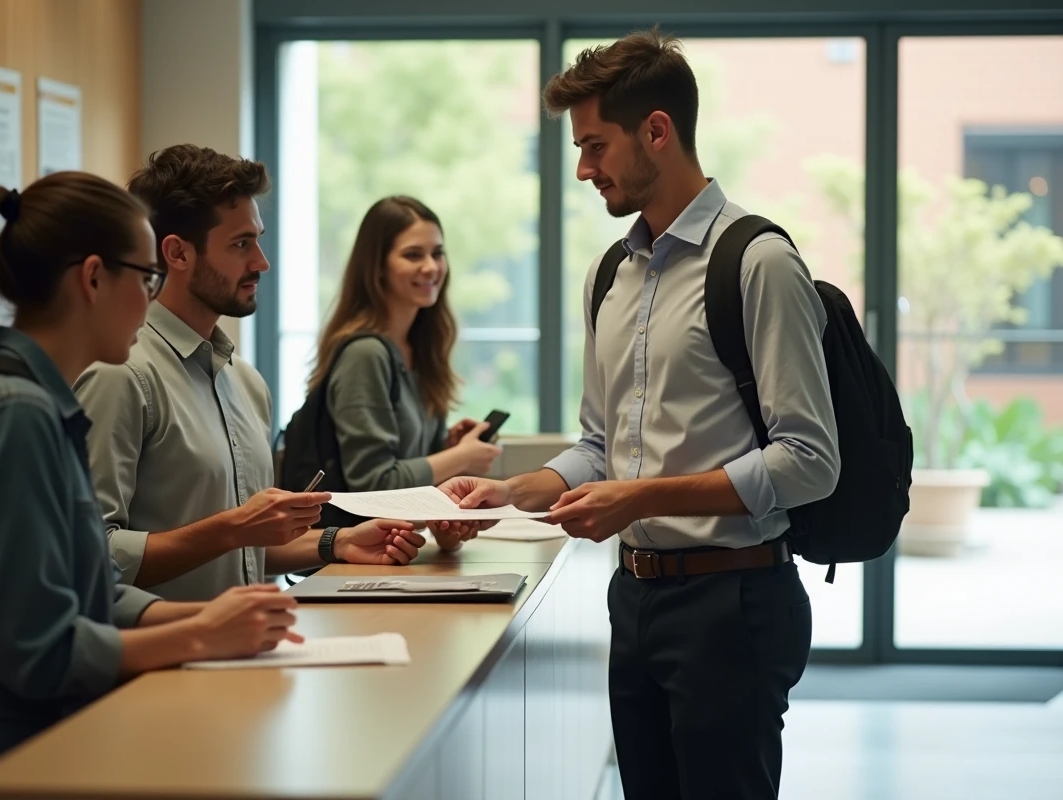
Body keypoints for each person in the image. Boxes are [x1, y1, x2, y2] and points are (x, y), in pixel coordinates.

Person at [438, 29, 839, 800]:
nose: (583, 169)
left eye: (595, 146)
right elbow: (600, 444)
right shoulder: (608, 277)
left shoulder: (758, 261)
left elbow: (810, 462)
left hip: (736, 601)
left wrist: (645, 496)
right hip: (636, 598)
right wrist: (512, 492)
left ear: (657, 130)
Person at [0, 173, 300, 800]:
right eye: (147, 278)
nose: (152, 298)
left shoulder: (38, 403)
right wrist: (203, 634)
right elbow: (40, 649)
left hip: (13, 737)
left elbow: (85, 588)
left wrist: (205, 614)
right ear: (95, 278)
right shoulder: (11, 417)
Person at [74, 146, 424, 602]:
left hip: (248, 653)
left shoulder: (245, 382)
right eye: (241, 244)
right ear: (177, 253)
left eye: (257, 240)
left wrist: (337, 542)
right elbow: (92, 554)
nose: (261, 262)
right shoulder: (121, 375)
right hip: (164, 662)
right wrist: (231, 529)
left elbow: (247, 549)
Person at [292, 196, 500, 546]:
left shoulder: (420, 351)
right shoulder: (366, 354)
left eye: (437, 253)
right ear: (377, 267)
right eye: (413, 255)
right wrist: (459, 457)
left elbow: (414, 479)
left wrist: (446, 447)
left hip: (401, 553)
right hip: (353, 560)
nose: (431, 267)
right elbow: (375, 485)